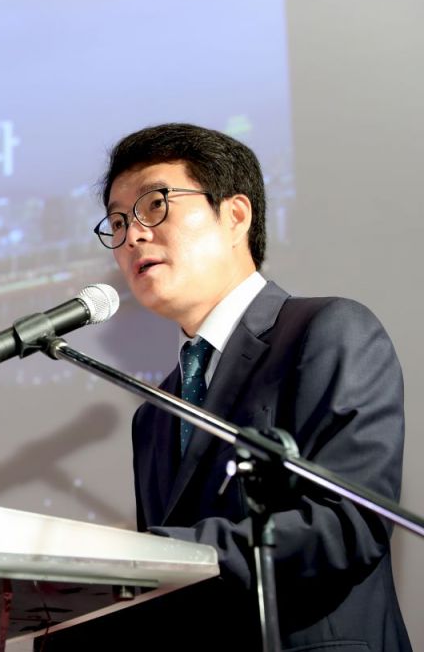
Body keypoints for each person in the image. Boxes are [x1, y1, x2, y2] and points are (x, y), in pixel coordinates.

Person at [40, 123, 410, 650]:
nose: (133, 236)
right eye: (118, 222)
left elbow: (345, 527)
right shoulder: (155, 414)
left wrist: (147, 555)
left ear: (235, 215)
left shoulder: (326, 331)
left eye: (154, 206)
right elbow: (173, 602)